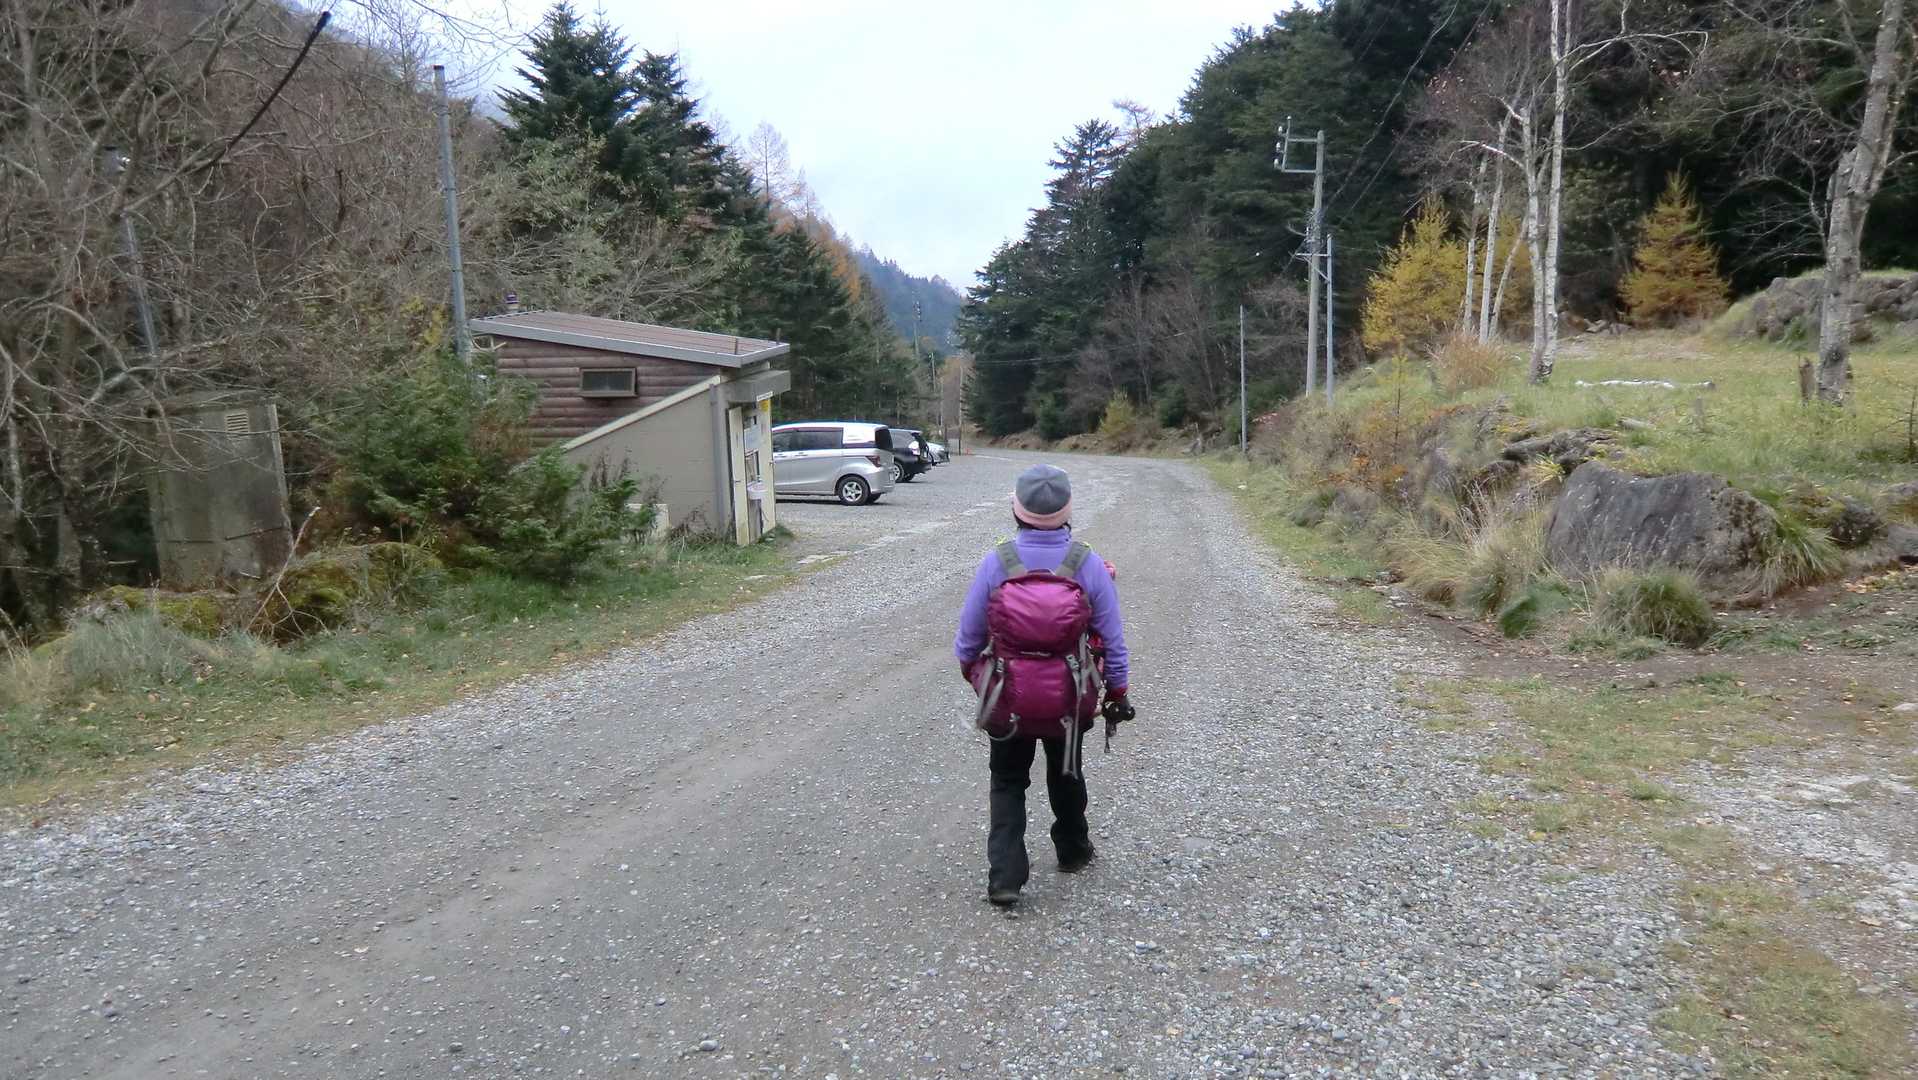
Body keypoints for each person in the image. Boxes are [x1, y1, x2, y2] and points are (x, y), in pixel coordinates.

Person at [955, 464, 1133, 906]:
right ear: (1067, 511)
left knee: (1007, 780)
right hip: (1068, 700)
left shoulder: (997, 561)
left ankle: (1005, 877)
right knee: (1066, 770)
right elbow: (1113, 640)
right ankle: (1073, 850)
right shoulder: (1087, 563)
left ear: (1016, 509)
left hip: (1008, 696)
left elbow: (968, 641)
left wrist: (981, 680)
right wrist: (1117, 691)